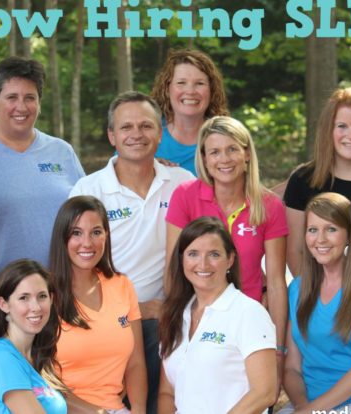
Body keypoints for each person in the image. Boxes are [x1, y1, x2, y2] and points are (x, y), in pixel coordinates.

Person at [69, 91, 193, 414]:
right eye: (126, 127)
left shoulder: (182, 183)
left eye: (145, 126)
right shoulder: (89, 189)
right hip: (108, 314)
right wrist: (135, 309)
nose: (136, 134)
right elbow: (76, 265)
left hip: (172, 310)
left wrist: (171, 307)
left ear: (160, 133)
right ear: (112, 136)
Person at [165, 116, 288, 376]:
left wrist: (278, 349)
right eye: (215, 152)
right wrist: (176, 327)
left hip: (248, 323)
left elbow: (277, 282)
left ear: (246, 154)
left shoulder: (269, 205)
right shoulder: (185, 195)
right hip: (197, 318)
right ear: (204, 158)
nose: (224, 159)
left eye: (232, 149)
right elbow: (172, 269)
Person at [0, 56, 85, 276]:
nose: (21, 107)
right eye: (12, 97)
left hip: (63, 286)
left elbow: (88, 214)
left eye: (30, 97)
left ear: (39, 103)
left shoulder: (62, 151)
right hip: (2, 289)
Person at [278, 193, 351, 413]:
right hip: (309, 401)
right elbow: (292, 367)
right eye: (313, 230)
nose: (320, 239)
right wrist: (302, 406)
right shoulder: (297, 289)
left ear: (349, 235)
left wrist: (310, 411)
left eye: (331, 229)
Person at [158, 216, 277, 413]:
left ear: (230, 259)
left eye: (214, 254)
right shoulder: (175, 315)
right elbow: (167, 393)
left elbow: (265, 392)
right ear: (181, 259)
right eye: (193, 254)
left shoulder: (249, 313)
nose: (203, 264)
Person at [50, 196, 147, 413]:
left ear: (106, 236)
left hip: (115, 408)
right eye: (76, 233)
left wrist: (138, 410)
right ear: (62, 237)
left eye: (96, 232)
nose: (87, 243)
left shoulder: (122, 285)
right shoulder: (44, 293)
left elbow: (136, 363)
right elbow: (39, 378)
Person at [282, 87, 351, 275]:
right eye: (342, 126)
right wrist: (314, 291)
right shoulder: (303, 180)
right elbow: (295, 251)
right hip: (321, 289)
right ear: (329, 130)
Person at [0, 259, 67, 414]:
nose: (36, 307)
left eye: (42, 296)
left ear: (51, 299)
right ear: (4, 304)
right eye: (24, 298)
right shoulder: (1, 357)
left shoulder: (36, 355)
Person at [150, 48, 229, 175]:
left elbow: (247, 184)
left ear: (212, 90)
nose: (191, 91)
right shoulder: (146, 134)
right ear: (167, 89)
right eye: (181, 82)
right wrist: (144, 168)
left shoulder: (228, 137)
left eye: (199, 83)